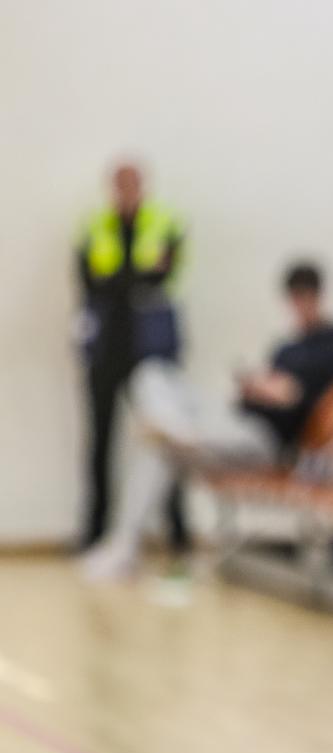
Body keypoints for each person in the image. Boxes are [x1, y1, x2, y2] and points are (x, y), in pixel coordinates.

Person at [80, 263, 333, 588]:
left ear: (318, 296)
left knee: (157, 447)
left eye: (305, 298)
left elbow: (292, 394)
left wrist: (270, 387)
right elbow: (271, 387)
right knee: (151, 375)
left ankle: (123, 546)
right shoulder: (286, 347)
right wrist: (255, 386)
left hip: (264, 441)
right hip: (235, 421)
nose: (300, 306)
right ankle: (173, 429)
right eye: (295, 299)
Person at [76, 162, 190, 555]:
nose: (126, 190)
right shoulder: (95, 225)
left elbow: (162, 277)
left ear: (143, 184)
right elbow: (89, 283)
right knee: (100, 443)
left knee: (168, 437)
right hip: (106, 349)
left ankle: (178, 533)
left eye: (133, 183)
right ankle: (95, 533)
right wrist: (136, 276)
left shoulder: (165, 222)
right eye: (120, 183)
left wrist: (117, 280)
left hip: (151, 350)